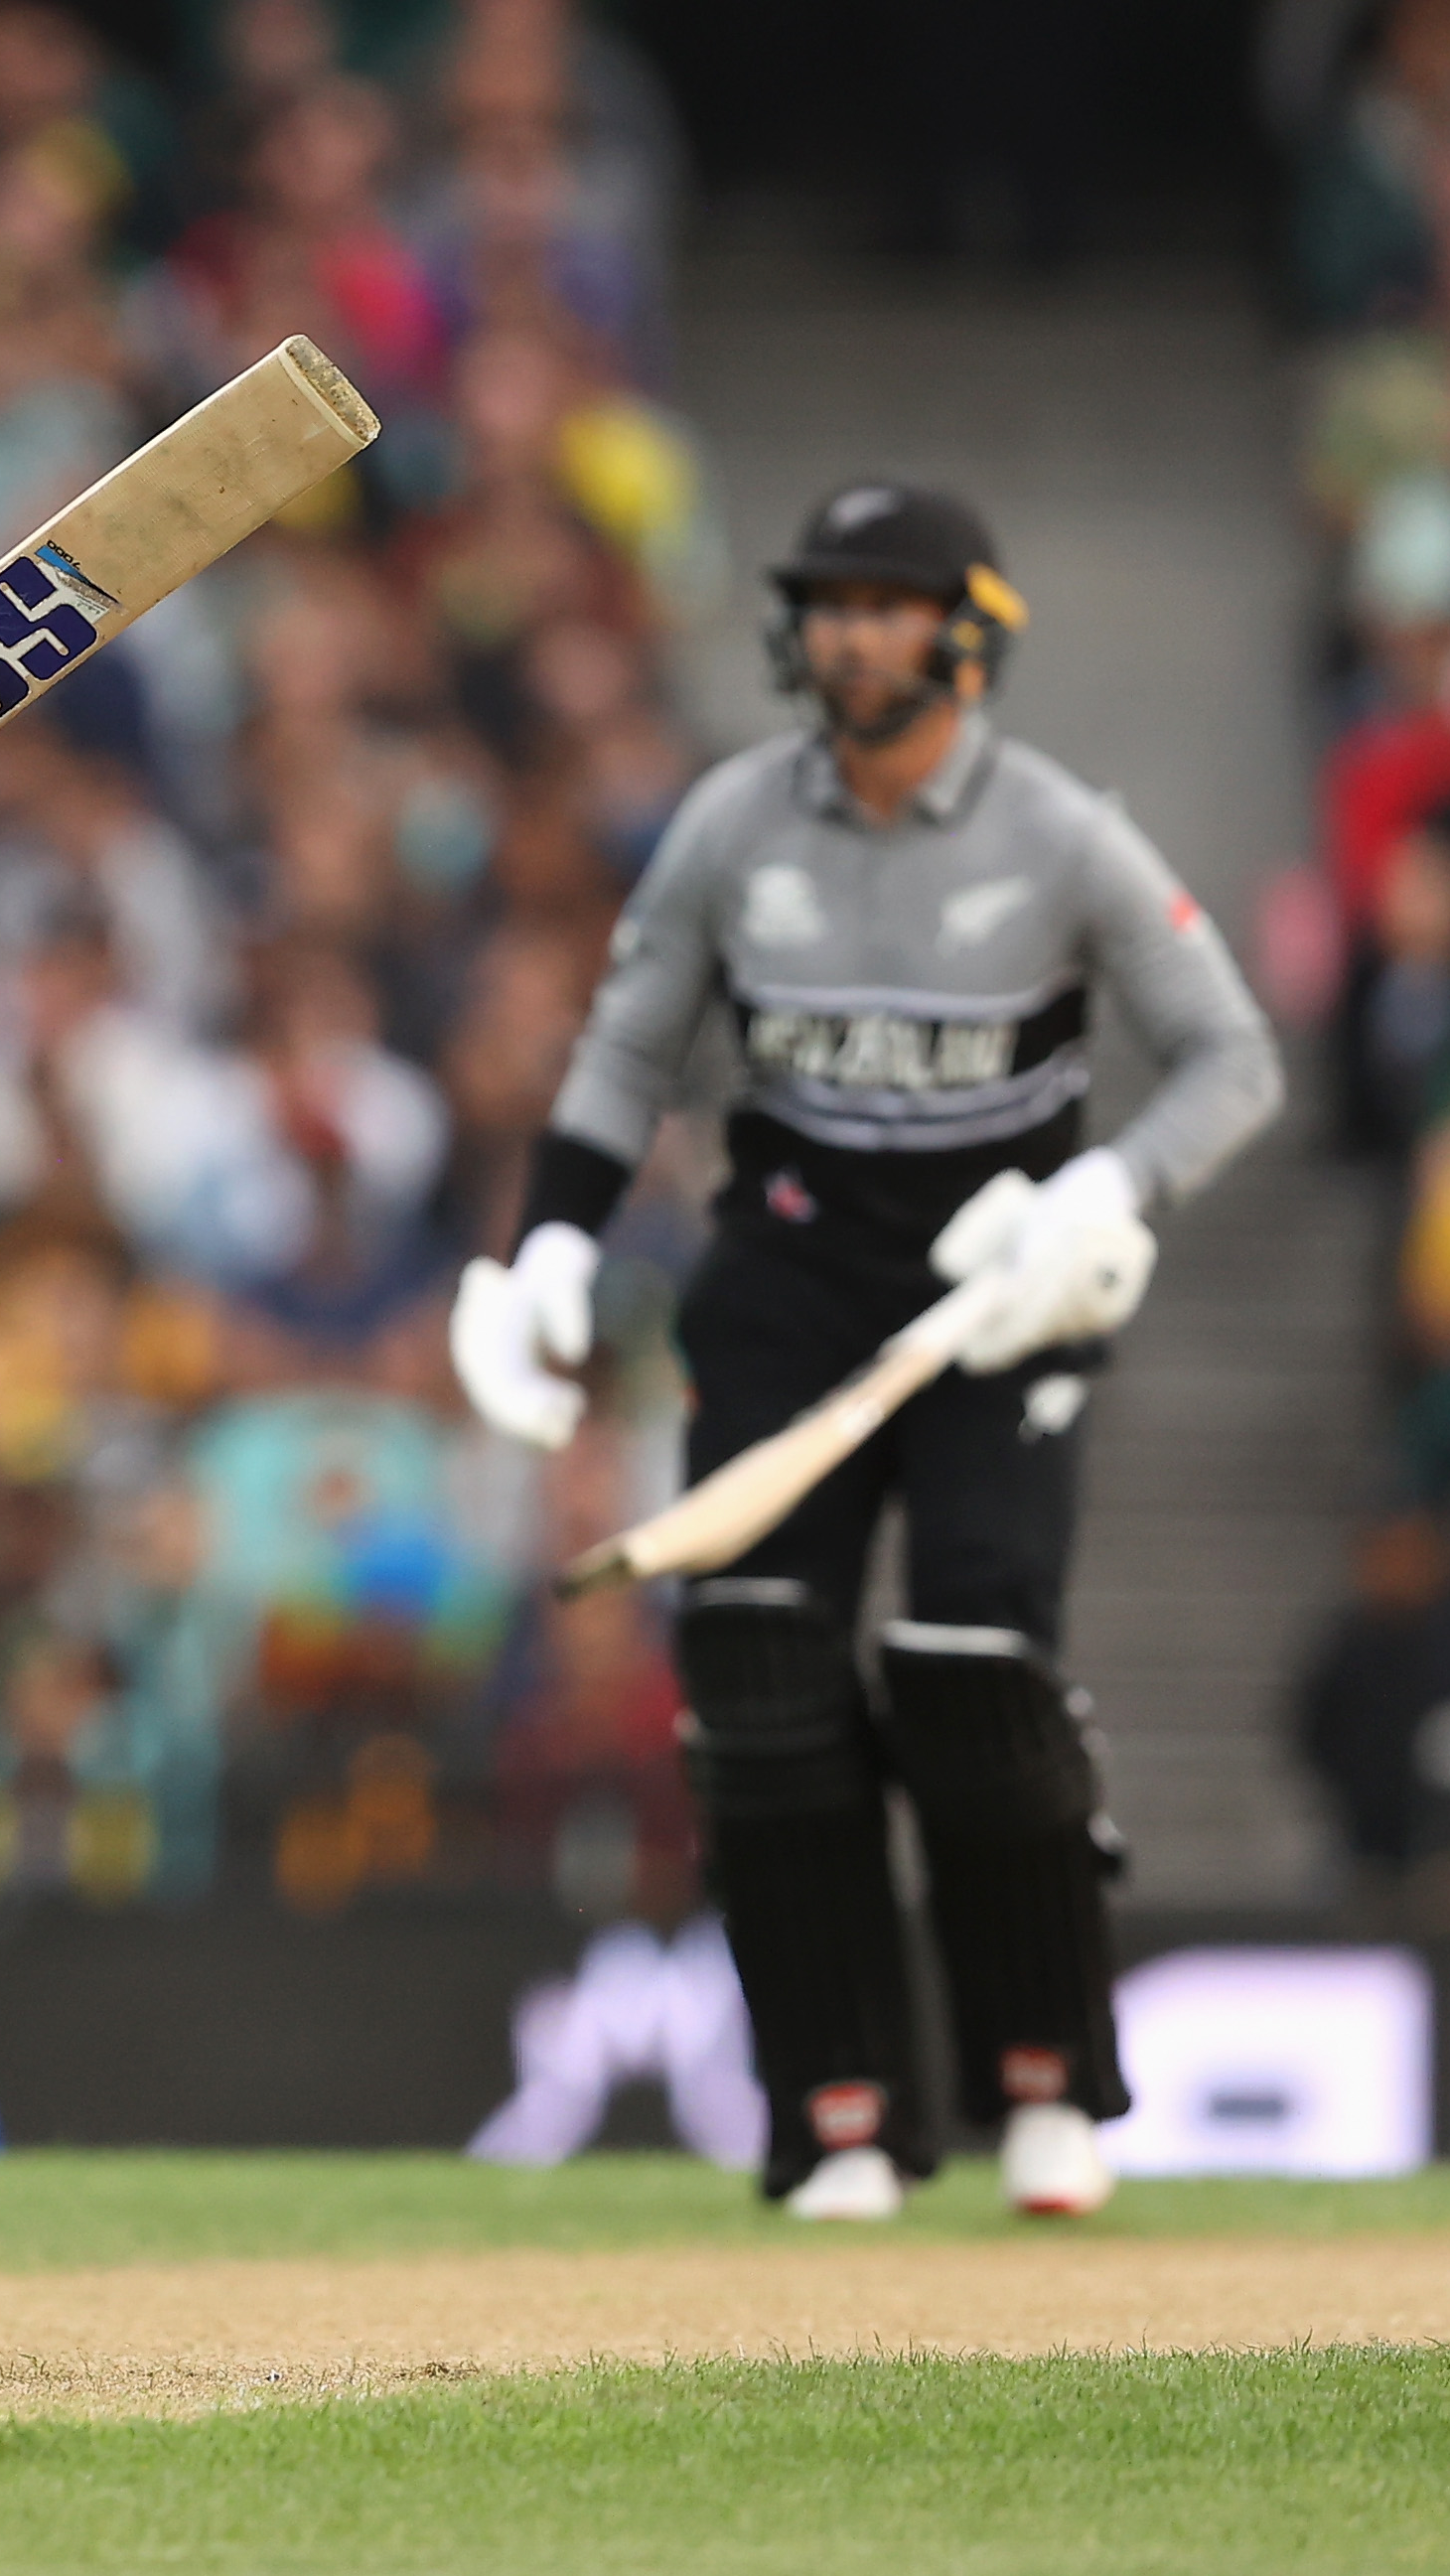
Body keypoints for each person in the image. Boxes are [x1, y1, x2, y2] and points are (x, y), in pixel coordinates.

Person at [448, 485, 1282, 2222]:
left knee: (976, 1662)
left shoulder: (1061, 833)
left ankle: (1050, 2080)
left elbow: (1233, 1060)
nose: (845, 635)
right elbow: (627, 1053)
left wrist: (1102, 1198)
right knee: (758, 1678)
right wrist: (548, 1244)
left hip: (1002, 1304)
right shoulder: (736, 824)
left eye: (883, 604)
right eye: (825, 602)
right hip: (793, 1283)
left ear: (964, 627)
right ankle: (837, 2109)